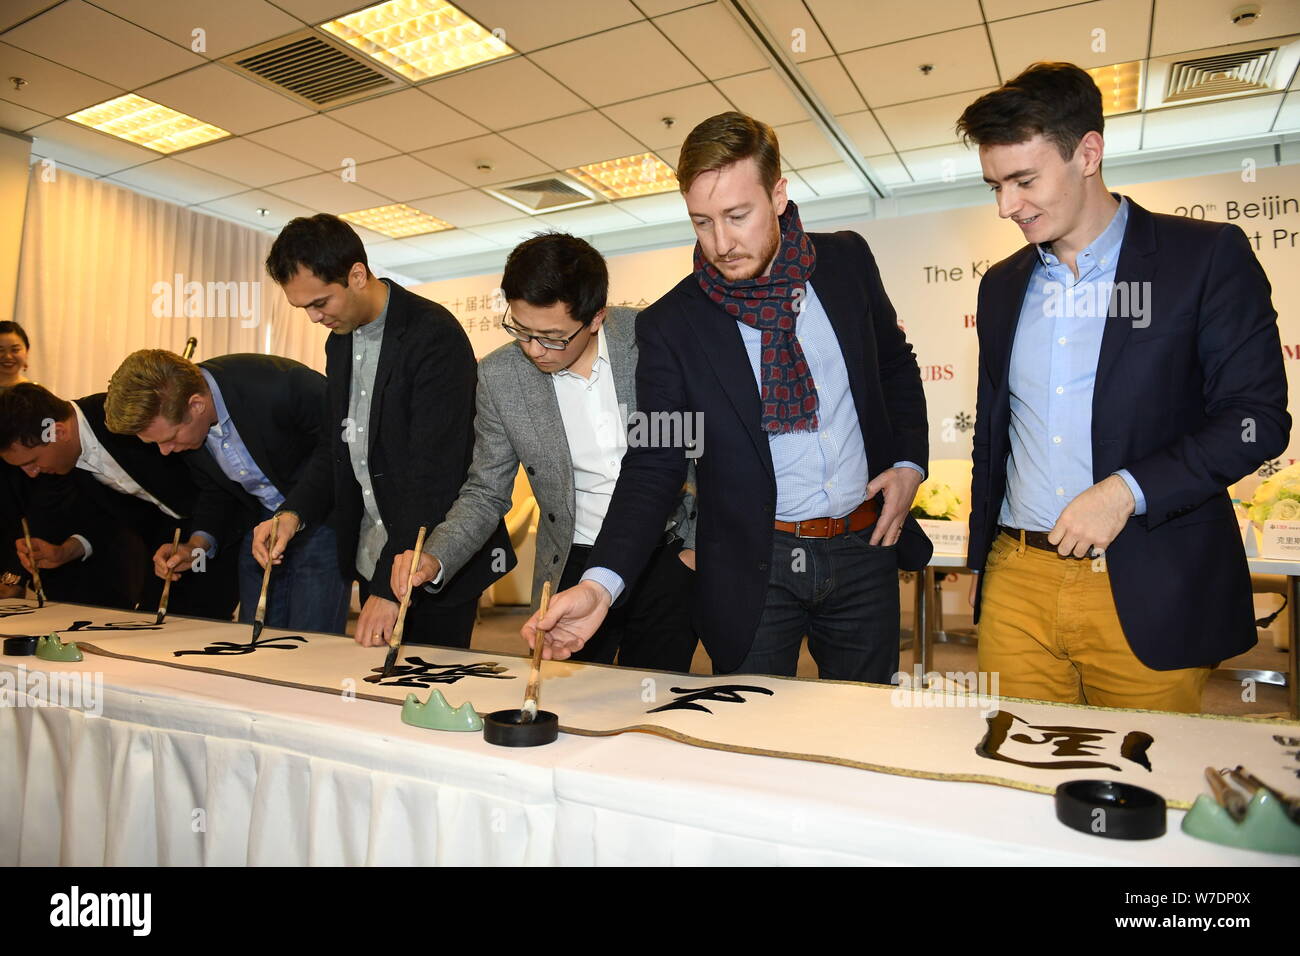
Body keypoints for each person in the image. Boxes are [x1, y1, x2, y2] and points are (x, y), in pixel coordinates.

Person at [524, 112, 932, 682]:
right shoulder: (672, 325)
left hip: (862, 546)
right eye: (701, 222)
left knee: (864, 731)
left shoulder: (846, 263)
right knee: (749, 737)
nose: (721, 243)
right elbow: (654, 464)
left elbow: (894, 366)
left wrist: (909, 462)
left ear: (780, 195)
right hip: (751, 567)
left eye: (738, 216)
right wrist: (600, 584)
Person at [957, 62, 1290, 712]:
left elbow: (1255, 419)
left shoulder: (1205, 257)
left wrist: (1124, 491)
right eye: (995, 185)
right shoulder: (1000, 285)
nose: (1007, 206)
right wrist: (983, 568)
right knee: (1013, 779)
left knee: (1143, 783)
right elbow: (994, 436)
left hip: (1146, 576)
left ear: (1088, 152)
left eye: (1025, 181)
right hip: (1017, 576)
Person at [390, 233, 699, 671]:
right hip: (573, 559)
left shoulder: (651, 340)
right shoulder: (500, 376)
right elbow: (486, 490)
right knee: (568, 698)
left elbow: (704, 450)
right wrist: (436, 555)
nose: (534, 350)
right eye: (521, 330)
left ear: (596, 318)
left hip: (666, 553)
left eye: (552, 337)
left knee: (653, 692)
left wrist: (696, 548)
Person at [255, 214, 513, 648]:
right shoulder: (340, 340)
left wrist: (388, 587)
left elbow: (436, 469)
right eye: (304, 309)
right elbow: (337, 446)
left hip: (431, 559)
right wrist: (292, 513)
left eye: (320, 303)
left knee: (426, 695)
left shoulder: (432, 334)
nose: (315, 318)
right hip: (370, 553)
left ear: (357, 274)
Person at [104, 349, 351, 634]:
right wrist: (196, 547)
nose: (165, 451)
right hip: (258, 524)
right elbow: (216, 491)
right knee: (253, 635)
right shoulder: (183, 417)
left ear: (196, 404)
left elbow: (339, 448)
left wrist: (294, 513)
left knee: (309, 638)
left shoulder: (277, 385)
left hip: (322, 514)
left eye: (170, 439)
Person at [0, 382, 237, 616]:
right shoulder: (61, 456)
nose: (31, 472)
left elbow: (214, 479)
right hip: (166, 546)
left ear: (58, 432)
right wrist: (66, 550)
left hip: (227, 524)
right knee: (156, 626)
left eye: (31, 462)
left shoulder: (129, 416)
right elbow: (108, 515)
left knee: (207, 627)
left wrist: (198, 544)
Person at [0, 321, 31, 389]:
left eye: (15, 350)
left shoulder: (34, 393)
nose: (8, 356)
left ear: (27, 352)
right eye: (0, 350)